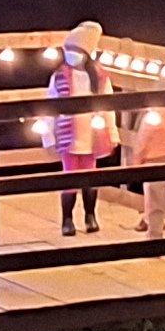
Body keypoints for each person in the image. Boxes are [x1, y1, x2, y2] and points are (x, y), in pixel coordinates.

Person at [48, 21, 115, 236]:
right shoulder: (59, 76)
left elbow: (109, 107)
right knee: (69, 177)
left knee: (90, 177)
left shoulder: (100, 78)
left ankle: (90, 215)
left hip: (92, 135)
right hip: (69, 136)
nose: (71, 54)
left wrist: (112, 132)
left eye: (75, 50)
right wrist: (49, 136)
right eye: (68, 50)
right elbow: (50, 106)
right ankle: (67, 219)